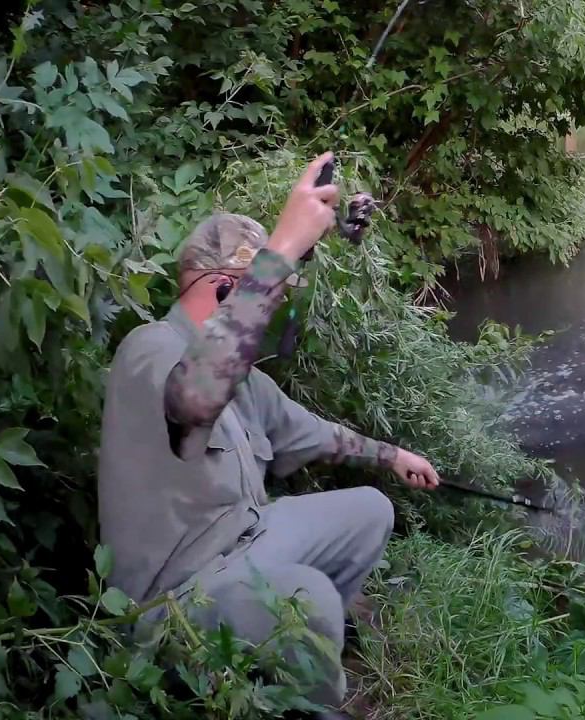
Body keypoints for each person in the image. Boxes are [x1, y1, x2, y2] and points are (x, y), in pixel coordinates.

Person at [97, 153, 438, 716]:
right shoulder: (149, 347)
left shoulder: (247, 380)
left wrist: (394, 455)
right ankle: (306, 701)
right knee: (309, 597)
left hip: (246, 546)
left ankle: (291, 661)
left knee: (369, 510)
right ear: (225, 288)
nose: (276, 302)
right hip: (176, 601)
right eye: (267, 290)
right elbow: (195, 397)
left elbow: (314, 434)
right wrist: (280, 250)